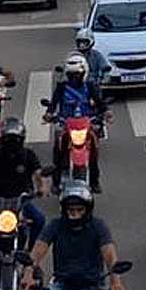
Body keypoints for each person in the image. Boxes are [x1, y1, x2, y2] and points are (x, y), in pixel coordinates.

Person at [0, 118, 48, 279]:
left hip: (22, 200)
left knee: (39, 220)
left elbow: (39, 174)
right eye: (8, 139)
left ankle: (32, 261)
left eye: (15, 140)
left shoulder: (28, 155)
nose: (12, 144)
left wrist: (42, 188)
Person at [45, 53, 109, 193]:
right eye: (71, 75)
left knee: (94, 150)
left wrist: (106, 112)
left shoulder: (90, 87)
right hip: (66, 123)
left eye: (77, 75)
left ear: (84, 73)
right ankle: (56, 182)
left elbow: (100, 103)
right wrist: (49, 113)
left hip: (86, 123)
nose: (74, 78)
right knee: (59, 149)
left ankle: (94, 181)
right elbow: (53, 103)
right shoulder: (62, 87)